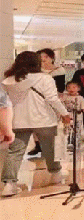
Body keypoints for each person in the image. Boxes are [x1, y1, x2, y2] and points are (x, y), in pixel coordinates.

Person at [2, 52, 72, 197]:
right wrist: (65, 114)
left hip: (19, 120)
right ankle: (56, 174)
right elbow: (52, 99)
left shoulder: (9, 80)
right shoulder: (45, 78)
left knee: (15, 152)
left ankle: (9, 184)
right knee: (50, 149)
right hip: (43, 119)